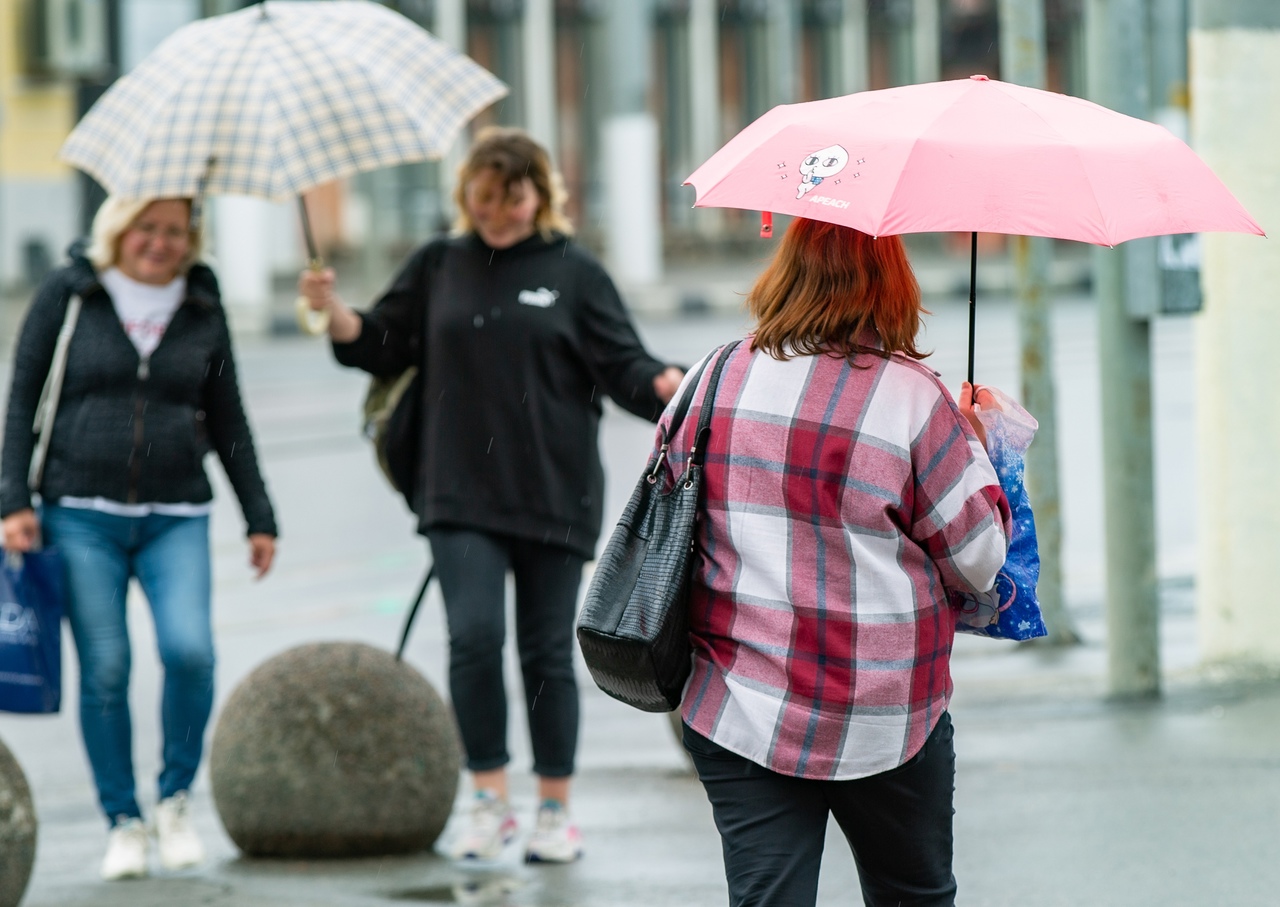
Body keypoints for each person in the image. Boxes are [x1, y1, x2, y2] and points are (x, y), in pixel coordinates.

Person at [298, 126, 683, 864]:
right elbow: (380, 342)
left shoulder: (574, 271)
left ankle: (554, 808)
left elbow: (624, 366)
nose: (496, 211)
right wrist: (336, 313)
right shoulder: (440, 263)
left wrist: (670, 384)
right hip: (457, 491)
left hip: (552, 492)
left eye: (512, 197)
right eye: (481, 197)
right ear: (463, 195)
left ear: (541, 195)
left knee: (544, 652)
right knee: (474, 639)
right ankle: (486, 797)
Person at [657, 217, 1013, 907]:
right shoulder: (916, 398)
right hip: (887, 710)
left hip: (741, 700)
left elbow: (666, 506)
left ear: (786, 273)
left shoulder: (714, 374)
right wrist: (976, 452)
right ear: (891, 283)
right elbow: (979, 559)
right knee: (912, 894)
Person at [0, 197, 277, 880]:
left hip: (175, 511)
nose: (157, 243)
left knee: (190, 651)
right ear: (118, 231)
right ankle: (123, 819)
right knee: (108, 667)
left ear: (191, 239)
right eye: (145, 229)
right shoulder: (70, 295)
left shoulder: (202, 306)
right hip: (79, 513)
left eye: (173, 232)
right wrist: (13, 500)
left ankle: (175, 798)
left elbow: (228, 414)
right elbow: (22, 399)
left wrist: (259, 513)